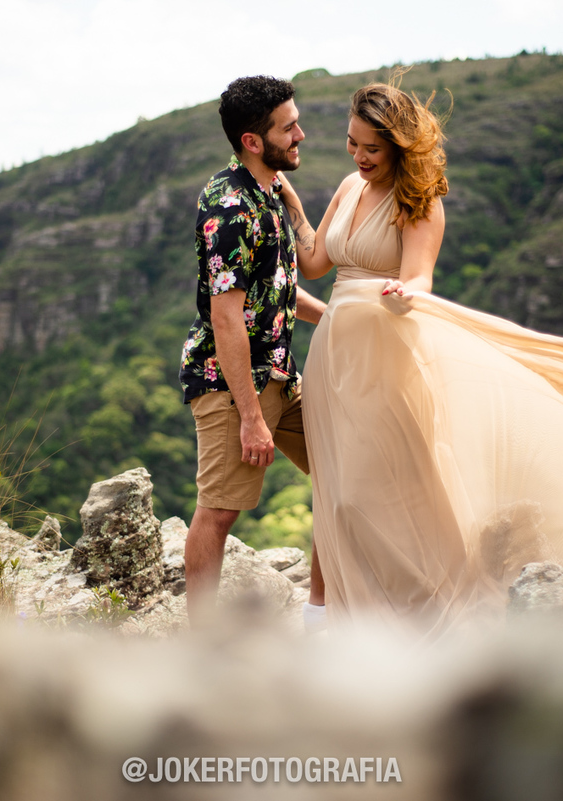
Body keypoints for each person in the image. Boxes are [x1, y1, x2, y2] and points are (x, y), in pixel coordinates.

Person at [280, 80, 563, 635]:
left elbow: (419, 277)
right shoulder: (350, 186)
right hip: (333, 361)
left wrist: (408, 296)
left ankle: (426, 614)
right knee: (334, 487)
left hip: (388, 358)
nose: (359, 156)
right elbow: (317, 263)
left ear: (399, 146)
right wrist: (297, 208)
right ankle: (329, 618)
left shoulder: (420, 202)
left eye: (371, 148)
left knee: (378, 492)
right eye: (352, 144)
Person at [179, 76, 328, 628]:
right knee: (218, 513)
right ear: (252, 140)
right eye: (288, 127)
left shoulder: (269, 192)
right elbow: (226, 316)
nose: (301, 134)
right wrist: (249, 419)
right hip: (229, 383)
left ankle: (322, 615)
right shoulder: (230, 205)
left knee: (344, 472)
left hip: (283, 376)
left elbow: (280, 289)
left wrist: (337, 318)